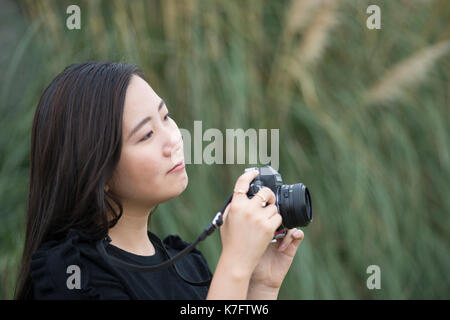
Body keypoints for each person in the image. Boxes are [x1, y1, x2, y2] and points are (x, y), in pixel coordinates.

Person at [14, 61, 304, 300]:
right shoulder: (72, 274)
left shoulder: (186, 264)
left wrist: (260, 287)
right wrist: (236, 266)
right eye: (146, 135)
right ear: (97, 171)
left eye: (166, 117)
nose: (174, 140)